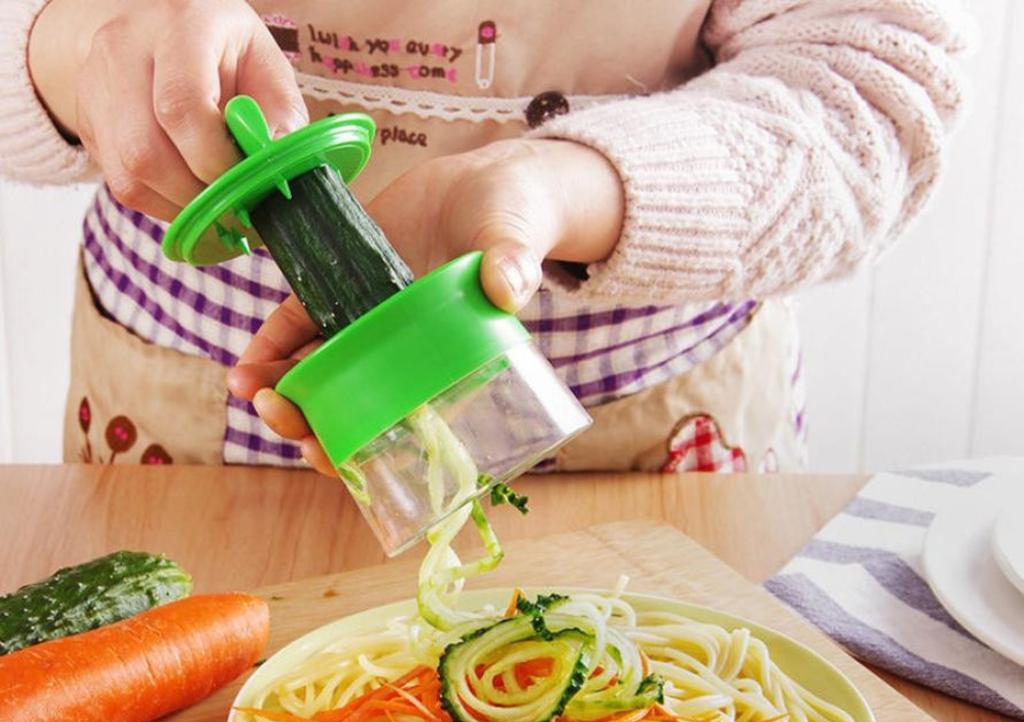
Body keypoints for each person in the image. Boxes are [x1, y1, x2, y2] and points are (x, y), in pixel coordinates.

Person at [0, 0, 970, 474]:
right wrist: (76, 45)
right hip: (188, 412)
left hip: (644, 426)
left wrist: (556, 184)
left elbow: (866, 98)